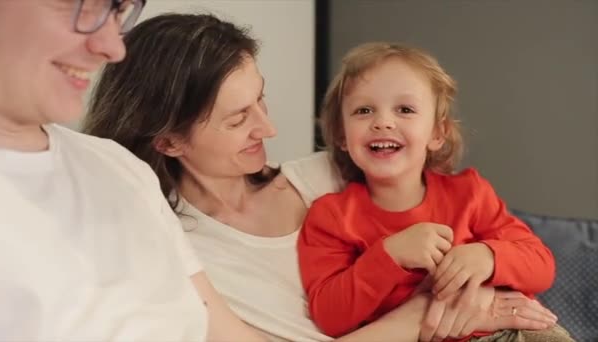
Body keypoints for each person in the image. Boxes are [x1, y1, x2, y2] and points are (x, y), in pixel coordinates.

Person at [83, 13, 560, 342]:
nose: (269, 129)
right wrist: (422, 314)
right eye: (237, 119)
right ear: (169, 142)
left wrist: (485, 273)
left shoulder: (337, 172)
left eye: (261, 100)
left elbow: (496, 238)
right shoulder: (182, 256)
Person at [0, 1, 264, 341]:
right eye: (84, 6)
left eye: (118, 12)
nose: (113, 48)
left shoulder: (119, 168)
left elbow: (227, 334)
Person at [297, 42, 572, 341]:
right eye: (364, 110)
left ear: (437, 134)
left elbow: (542, 265)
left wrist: (487, 256)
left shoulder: (469, 193)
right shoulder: (330, 216)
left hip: (508, 332)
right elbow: (329, 317)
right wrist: (389, 254)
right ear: (341, 134)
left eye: (405, 109)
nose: (383, 122)